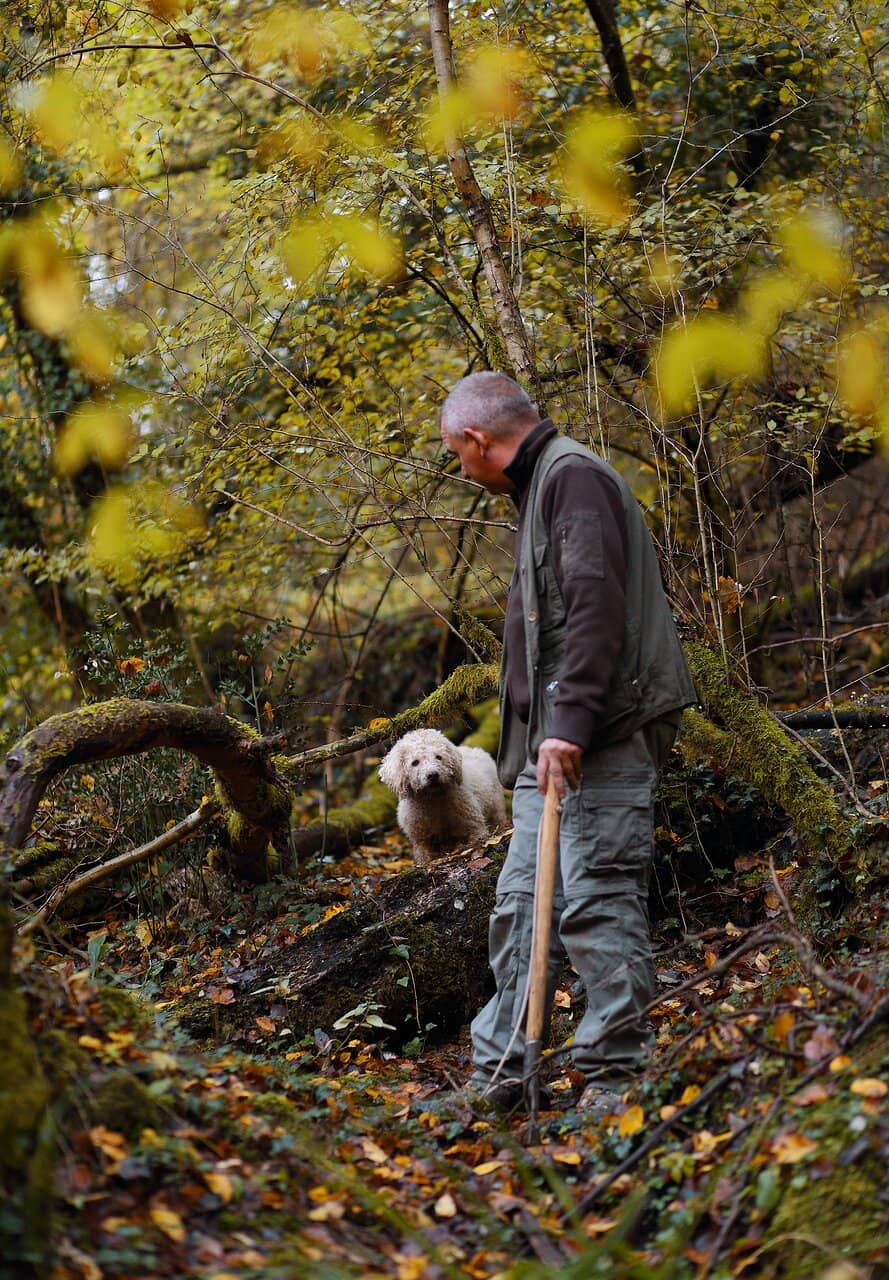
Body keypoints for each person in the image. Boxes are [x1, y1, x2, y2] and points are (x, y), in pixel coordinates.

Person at [439, 370, 696, 1116]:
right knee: (520, 910)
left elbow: (594, 609)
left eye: (456, 454)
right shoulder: (540, 487)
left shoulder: (573, 479)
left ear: (477, 439)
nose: (460, 469)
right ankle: (501, 1078)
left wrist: (568, 726)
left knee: (597, 902)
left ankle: (617, 1083)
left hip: (596, 737)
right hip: (548, 745)